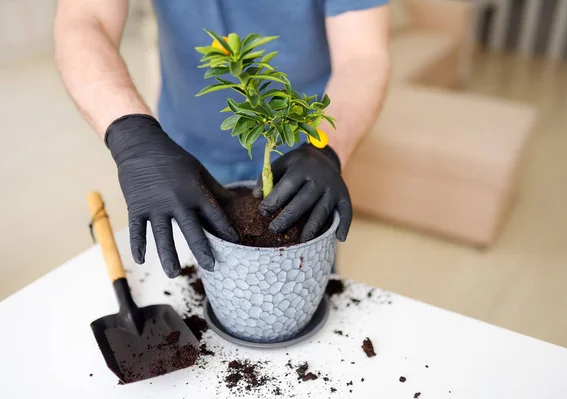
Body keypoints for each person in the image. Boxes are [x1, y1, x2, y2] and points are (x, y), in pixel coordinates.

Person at [54, 0, 391, 278]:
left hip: (302, 154)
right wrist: (131, 134)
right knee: (193, 279)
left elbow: (363, 55)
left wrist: (326, 149)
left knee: (300, 281)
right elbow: (85, 17)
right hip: (179, 152)